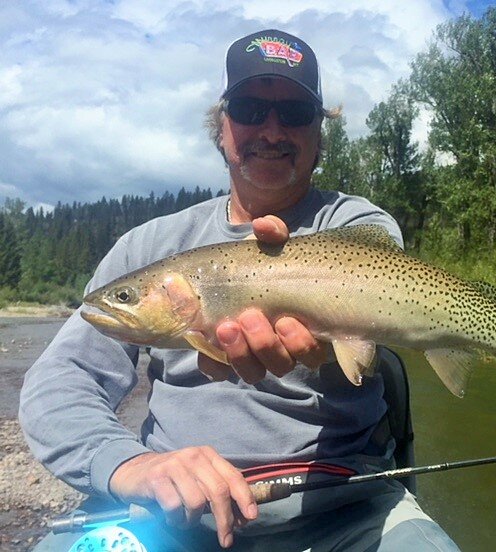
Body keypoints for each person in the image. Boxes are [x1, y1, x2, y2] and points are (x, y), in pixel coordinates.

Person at [20, 29, 460, 551]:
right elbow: (61, 382)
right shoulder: (149, 246)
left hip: (347, 508)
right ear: (222, 126)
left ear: (319, 132)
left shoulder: (356, 224)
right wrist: (131, 465)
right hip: (170, 513)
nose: (271, 129)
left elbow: (380, 291)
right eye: (251, 108)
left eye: (294, 113)